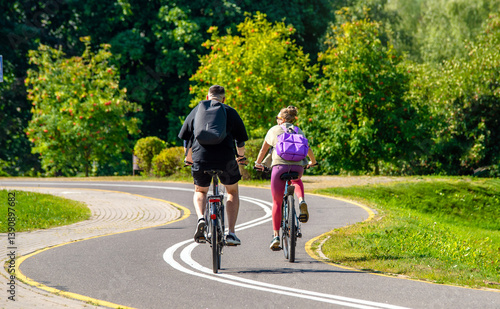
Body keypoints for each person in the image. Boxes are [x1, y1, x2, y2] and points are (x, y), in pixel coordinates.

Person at [178, 85, 249, 246]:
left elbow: (185, 136)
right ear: (224, 99)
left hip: (201, 157)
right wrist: (241, 157)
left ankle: (201, 218)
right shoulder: (229, 111)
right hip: (226, 159)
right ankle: (231, 233)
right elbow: (240, 140)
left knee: (200, 191)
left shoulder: (198, 109)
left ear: (208, 97)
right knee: (232, 191)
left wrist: (188, 158)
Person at [254, 106, 317, 250]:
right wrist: (312, 162)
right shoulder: (298, 130)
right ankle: (301, 201)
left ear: (281, 119)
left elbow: (264, 149)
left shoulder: (273, 130)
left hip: (279, 167)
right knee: (296, 180)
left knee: (277, 202)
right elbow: (307, 148)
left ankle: (275, 236)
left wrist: (258, 163)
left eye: (277, 118)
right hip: (298, 168)